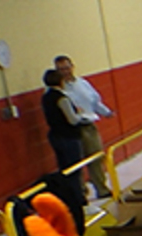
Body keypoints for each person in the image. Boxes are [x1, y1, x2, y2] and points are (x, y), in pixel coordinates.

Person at [55, 55, 113, 198]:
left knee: (96, 158)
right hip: (72, 129)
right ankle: (81, 193)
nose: (65, 71)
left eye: (67, 68)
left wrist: (106, 112)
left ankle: (101, 188)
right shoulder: (58, 90)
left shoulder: (83, 83)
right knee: (77, 161)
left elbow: (94, 102)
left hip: (89, 126)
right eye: (61, 69)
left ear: (72, 67)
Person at [41, 69, 87, 173]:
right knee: (74, 168)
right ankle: (76, 189)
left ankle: (69, 188)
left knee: (64, 168)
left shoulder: (46, 97)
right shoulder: (62, 98)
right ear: (61, 81)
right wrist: (80, 114)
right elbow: (72, 120)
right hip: (68, 136)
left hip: (55, 135)